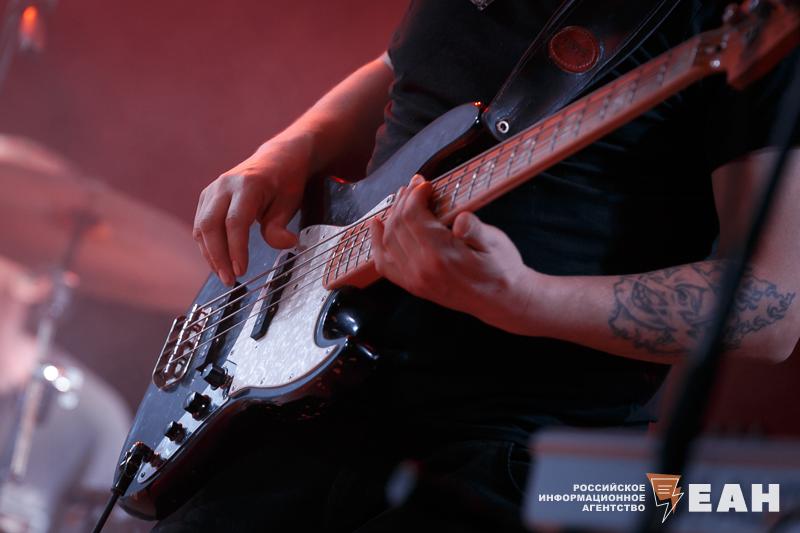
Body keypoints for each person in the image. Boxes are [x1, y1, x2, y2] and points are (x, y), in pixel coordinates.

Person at [161, 0, 800, 531]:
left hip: (515, 460)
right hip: (305, 403)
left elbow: (772, 307)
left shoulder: (738, 18)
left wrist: (525, 299)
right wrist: (290, 147)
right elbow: (404, 67)